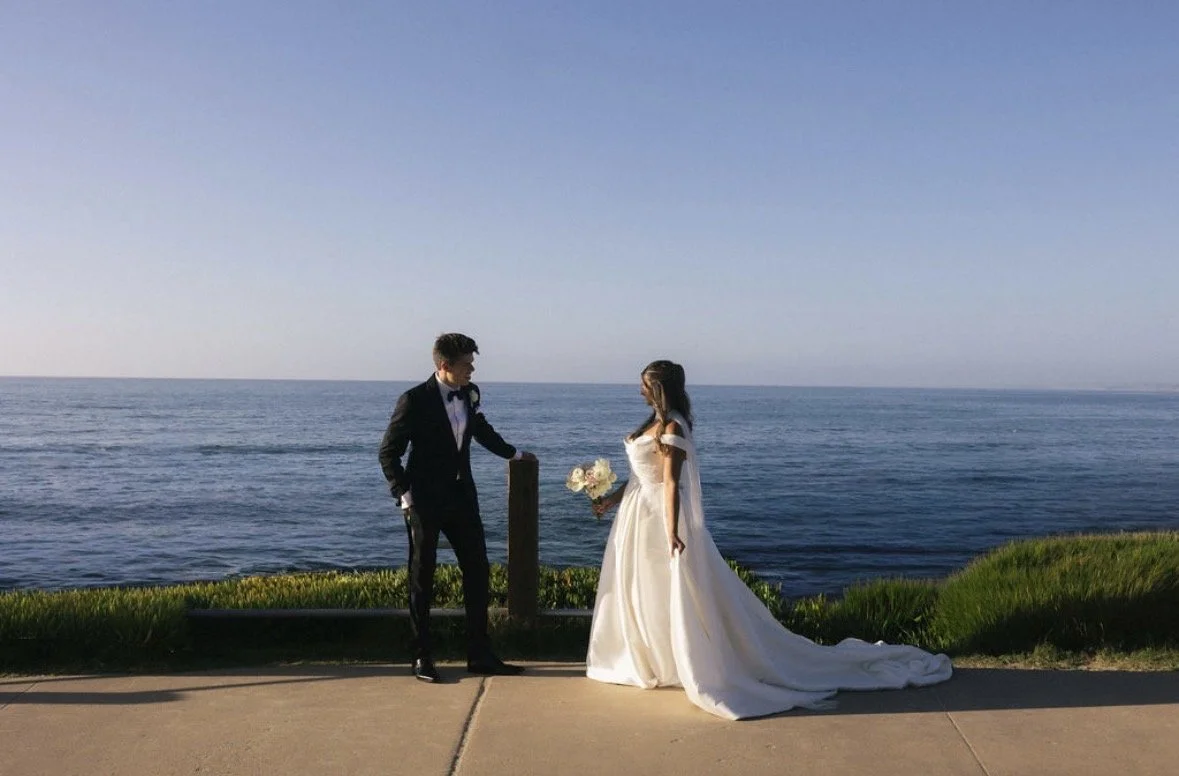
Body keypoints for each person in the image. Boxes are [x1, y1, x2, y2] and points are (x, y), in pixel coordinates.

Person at [585, 360, 952, 720]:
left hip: (660, 519)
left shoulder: (675, 427)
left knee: (677, 590)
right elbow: (640, 478)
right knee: (645, 589)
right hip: (637, 515)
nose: (639, 390)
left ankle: (691, 661)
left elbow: (669, 484)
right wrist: (610, 499)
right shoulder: (651, 422)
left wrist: (672, 531)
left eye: (645, 385)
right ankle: (655, 658)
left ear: (659, 389)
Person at [379, 333, 536, 682]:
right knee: (423, 578)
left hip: (463, 498)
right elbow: (388, 452)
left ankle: (480, 654)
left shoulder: (469, 393)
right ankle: (422, 658)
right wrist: (404, 494)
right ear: (444, 366)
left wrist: (515, 454)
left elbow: (479, 430)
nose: (473, 368)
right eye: (467, 364)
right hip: (425, 501)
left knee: (478, 573)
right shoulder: (413, 400)